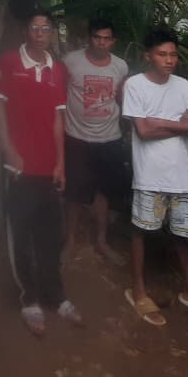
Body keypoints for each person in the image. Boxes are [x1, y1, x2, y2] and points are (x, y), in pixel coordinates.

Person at [0, 11, 80, 335]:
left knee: (51, 235)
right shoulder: (10, 62)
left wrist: (61, 162)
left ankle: (55, 295)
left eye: (46, 28)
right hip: (19, 166)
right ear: (26, 31)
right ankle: (28, 298)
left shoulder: (58, 70)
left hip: (49, 167)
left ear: (52, 33)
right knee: (22, 234)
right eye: (35, 27)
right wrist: (9, 151)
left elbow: (59, 120)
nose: (41, 33)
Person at [121, 26, 188, 326]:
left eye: (173, 54)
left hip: (180, 174)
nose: (169, 60)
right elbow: (143, 131)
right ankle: (138, 289)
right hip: (149, 173)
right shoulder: (135, 85)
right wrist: (179, 124)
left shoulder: (184, 85)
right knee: (141, 231)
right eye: (162, 54)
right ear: (148, 56)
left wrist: (163, 123)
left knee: (183, 235)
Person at [63, 18, 129, 265]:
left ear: (113, 41)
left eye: (106, 38)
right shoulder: (71, 61)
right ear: (89, 38)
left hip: (109, 138)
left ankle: (101, 241)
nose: (101, 43)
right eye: (96, 37)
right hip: (77, 137)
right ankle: (70, 241)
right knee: (74, 193)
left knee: (103, 192)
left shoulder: (120, 67)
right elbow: (60, 96)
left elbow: (122, 99)